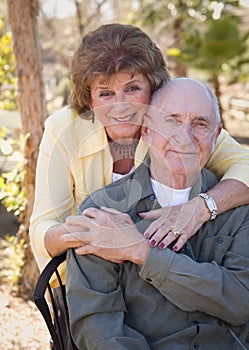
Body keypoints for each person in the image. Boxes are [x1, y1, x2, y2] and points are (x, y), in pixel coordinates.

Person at [30, 23, 249, 275]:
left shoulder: (175, 122)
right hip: (91, 280)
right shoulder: (63, 129)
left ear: (153, 87)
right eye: (106, 94)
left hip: (161, 280)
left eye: (132, 89)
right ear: (89, 98)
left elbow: (245, 165)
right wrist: (94, 233)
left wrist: (200, 207)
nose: (121, 107)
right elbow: (43, 227)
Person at [65, 78, 249, 350]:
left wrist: (144, 253)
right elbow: (97, 325)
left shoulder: (237, 208)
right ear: (148, 130)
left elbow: (241, 301)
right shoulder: (103, 211)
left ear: (216, 135)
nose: (185, 137)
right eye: (171, 121)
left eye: (200, 124)